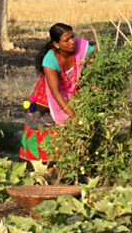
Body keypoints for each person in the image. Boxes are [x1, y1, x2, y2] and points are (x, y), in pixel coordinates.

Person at [20, 23, 94, 162]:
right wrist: (72, 115)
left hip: (76, 90)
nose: (72, 42)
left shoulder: (82, 48)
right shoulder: (50, 60)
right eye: (67, 40)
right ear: (57, 44)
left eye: (72, 37)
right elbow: (55, 92)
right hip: (50, 95)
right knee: (44, 123)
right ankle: (46, 164)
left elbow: (94, 65)